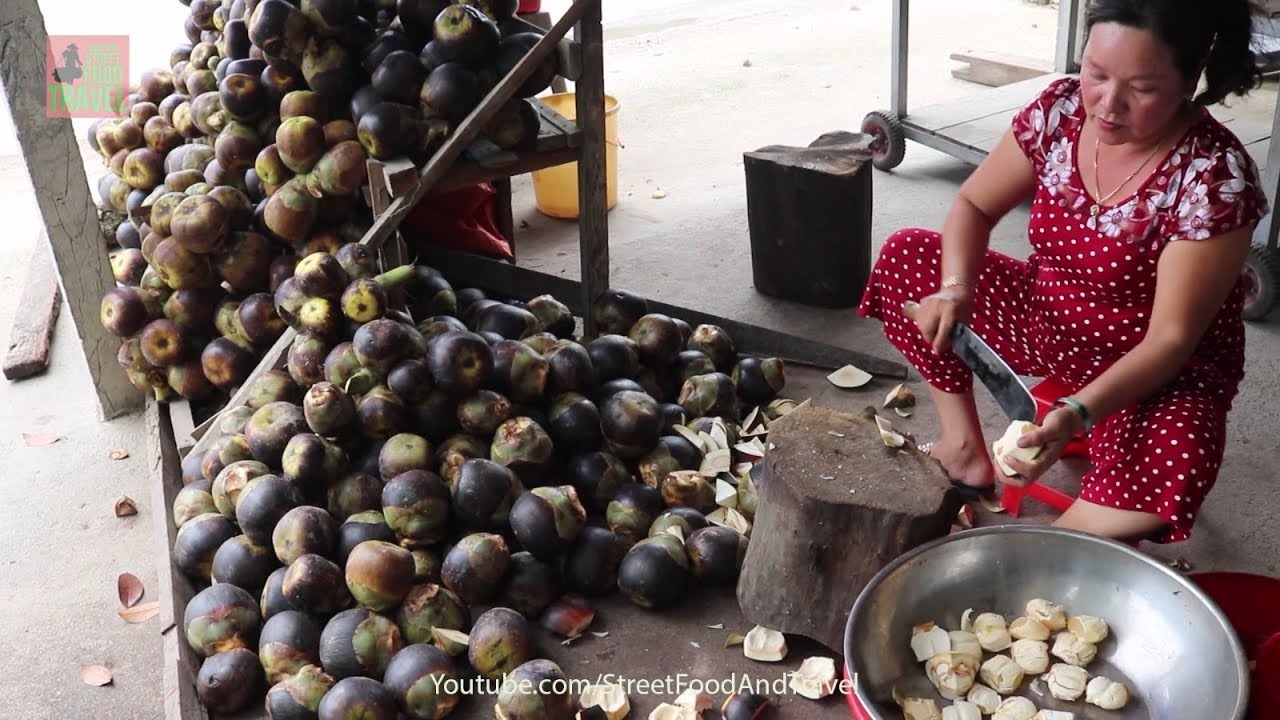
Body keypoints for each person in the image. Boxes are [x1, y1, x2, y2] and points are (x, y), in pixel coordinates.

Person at [856, 0, 1271, 544]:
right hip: (1048, 318)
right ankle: (963, 450)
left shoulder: (1213, 179)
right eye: (1095, 73)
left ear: (1191, 78)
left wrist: (1079, 410)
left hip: (1153, 372)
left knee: (1178, 454)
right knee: (911, 257)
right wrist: (956, 290)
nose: (1107, 103)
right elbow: (975, 206)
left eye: (1141, 88)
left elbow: (1170, 341)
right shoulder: (1061, 111)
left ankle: (1042, 556)